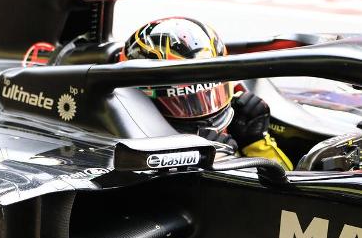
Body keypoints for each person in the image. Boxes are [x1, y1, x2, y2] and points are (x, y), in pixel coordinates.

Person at [119, 17, 293, 170]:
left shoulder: (233, 122)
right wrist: (219, 158)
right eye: (185, 99)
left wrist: (254, 142)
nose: (206, 113)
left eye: (209, 94)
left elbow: (286, 185)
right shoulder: (133, 148)